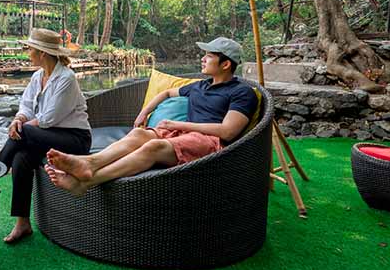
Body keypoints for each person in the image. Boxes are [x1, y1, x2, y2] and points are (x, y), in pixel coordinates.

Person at [46, 37, 258, 196]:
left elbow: (228, 132)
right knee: (138, 134)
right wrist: (144, 112)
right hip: (183, 134)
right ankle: (89, 164)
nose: (202, 59)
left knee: (153, 147)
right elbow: (166, 93)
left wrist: (179, 124)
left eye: (209, 56)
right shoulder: (199, 85)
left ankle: (86, 182)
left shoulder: (241, 92)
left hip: (210, 144)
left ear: (226, 64)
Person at [0, 28, 91, 243]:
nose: (27, 53)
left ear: (42, 53)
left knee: (24, 131)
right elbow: (26, 106)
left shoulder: (66, 78)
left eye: (30, 49)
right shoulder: (38, 76)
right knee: (21, 158)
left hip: (75, 139)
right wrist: (18, 119)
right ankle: (23, 223)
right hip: (45, 135)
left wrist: (21, 127)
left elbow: (49, 118)